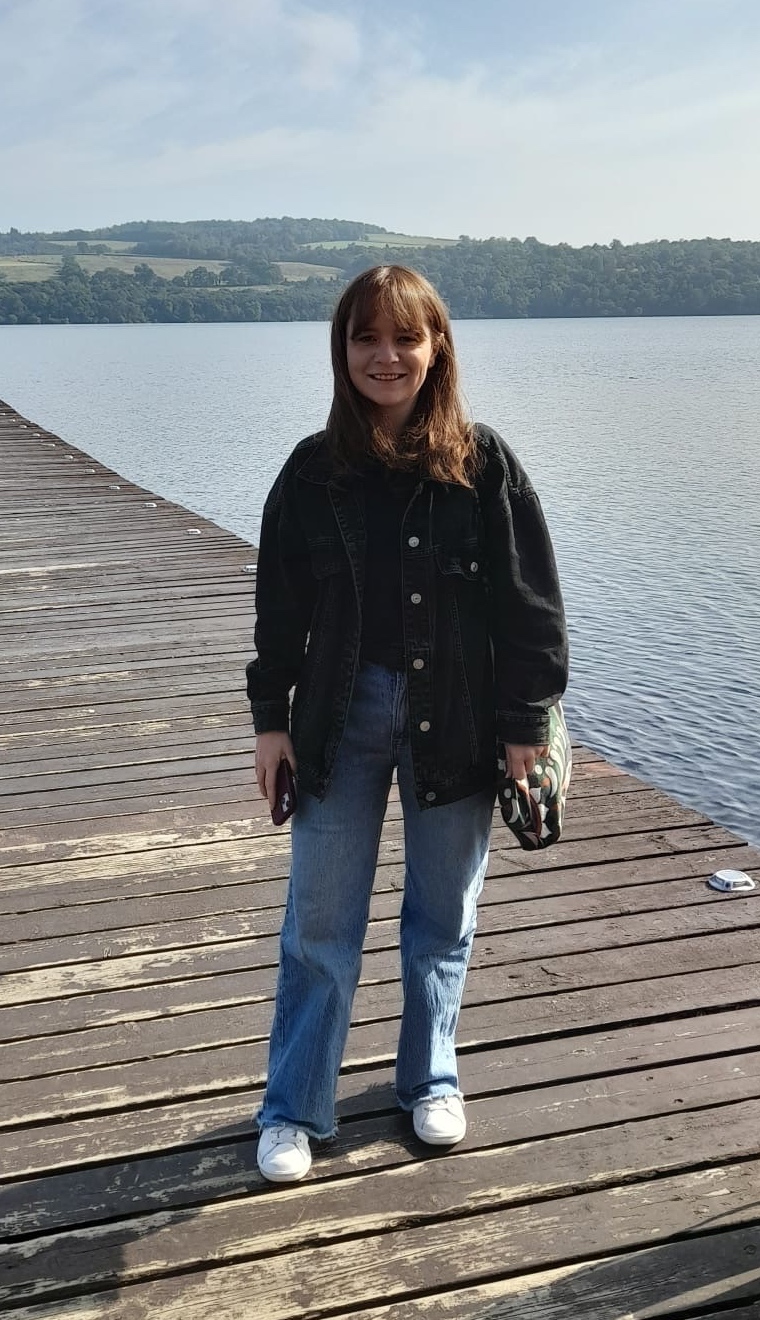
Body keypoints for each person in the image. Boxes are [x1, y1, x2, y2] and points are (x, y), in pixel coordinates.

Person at [246, 264, 568, 1183]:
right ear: (342, 351)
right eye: (365, 338)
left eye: (405, 338)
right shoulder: (311, 472)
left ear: (437, 348)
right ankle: (293, 1106)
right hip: (338, 720)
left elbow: (531, 608)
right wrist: (271, 724)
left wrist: (527, 727)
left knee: (442, 916)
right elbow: (279, 612)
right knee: (319, 922)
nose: (386, 357)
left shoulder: (484, 462)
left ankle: (429, 1078)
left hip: (460, 722)